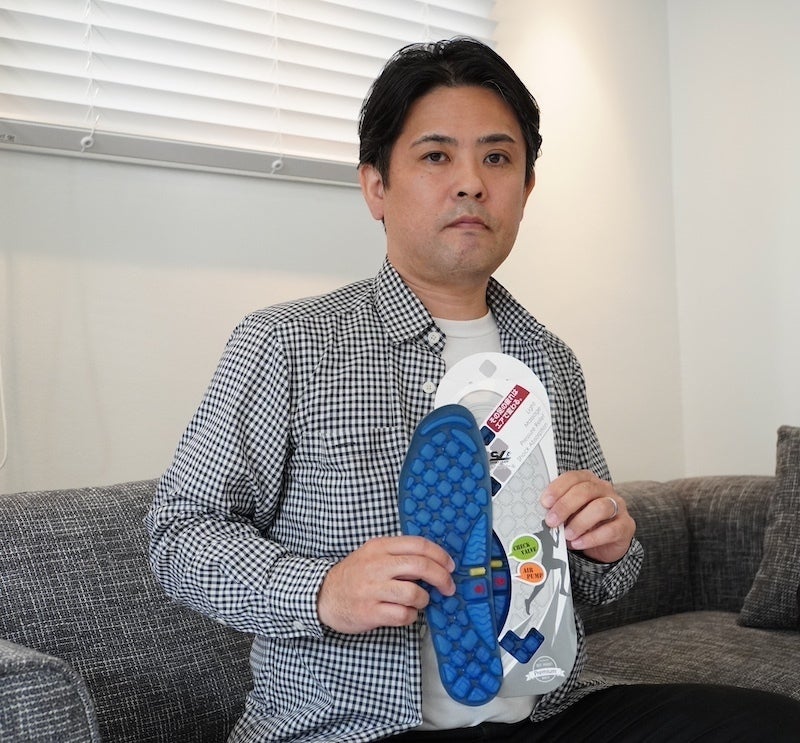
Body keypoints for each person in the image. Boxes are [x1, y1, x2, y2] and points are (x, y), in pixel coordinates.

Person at [146, 37, 800, 742]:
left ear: (526, 188)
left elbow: (602, 579)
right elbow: (179, 534)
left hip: (544, 710)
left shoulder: (549, 361)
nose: (471, 183)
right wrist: (323, 589)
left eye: (496, 158)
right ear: (375, 186)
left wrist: (608, 541)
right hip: (353, 727)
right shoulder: (288, 343)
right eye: (436, 156)